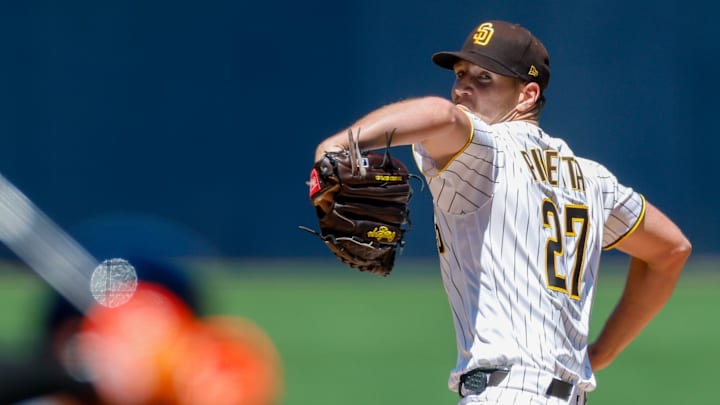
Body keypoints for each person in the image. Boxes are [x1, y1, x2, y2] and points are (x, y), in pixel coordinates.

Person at [313, 19, 691, 404]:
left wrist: (336, 145)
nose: (463, 87)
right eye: (460, 74)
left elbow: (439, 114)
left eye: (484, 78)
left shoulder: (485, 153)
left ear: (527, 95)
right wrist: (601, 353)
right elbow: (671, 250)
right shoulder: (592, 180)